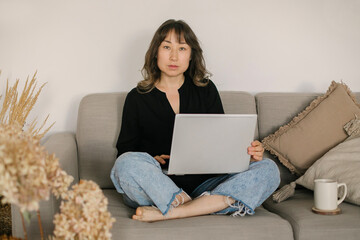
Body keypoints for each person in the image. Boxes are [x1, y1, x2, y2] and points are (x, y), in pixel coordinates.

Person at [110, 19, 280, 222]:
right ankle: (203, 205)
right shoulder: (136, 97)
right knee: (125, 164)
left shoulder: (206, 90)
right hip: (158, 184)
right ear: (156, 52)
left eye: (182, 48)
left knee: (269, 170)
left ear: (191, 55)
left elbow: (222, 143)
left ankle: (175, 212)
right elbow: (125, 153)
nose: (174, 56)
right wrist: (151, 160)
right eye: (166, 47)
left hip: (206, 185)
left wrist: (247, 156)